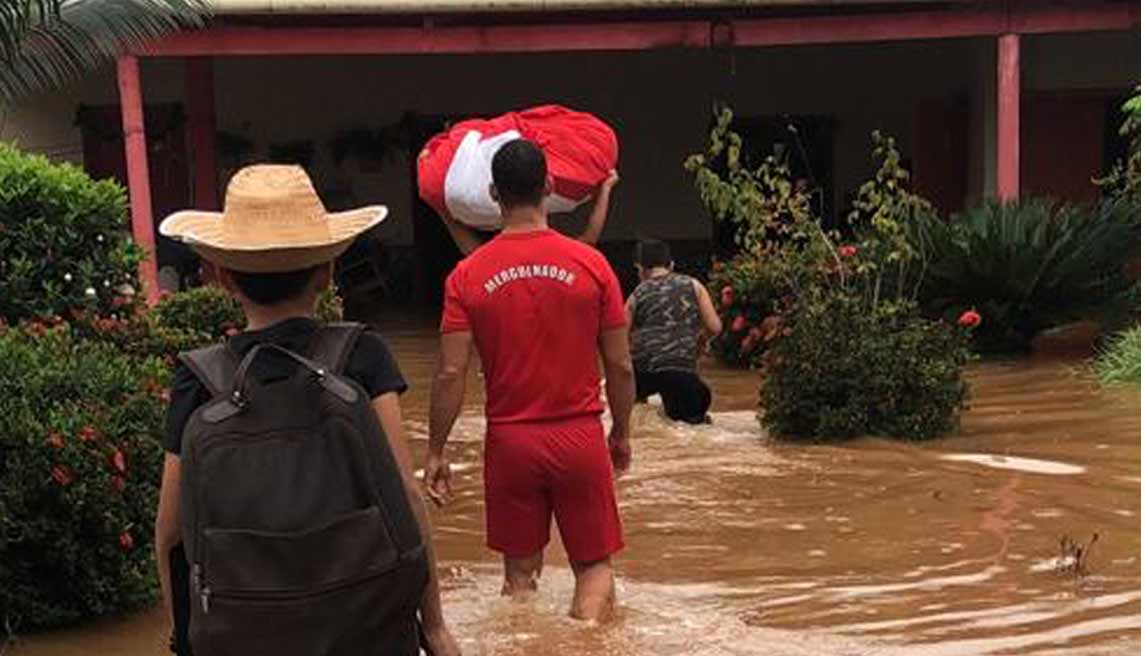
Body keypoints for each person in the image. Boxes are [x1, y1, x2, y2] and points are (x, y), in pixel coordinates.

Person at [154, 165, 459, 656]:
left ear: (224, 277)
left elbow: (170, 534)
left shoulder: (199, 377)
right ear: (328, 271)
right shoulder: (363, 354)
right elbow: (403, 494)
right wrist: (436, 626)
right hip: (365, 626)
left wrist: (184, 638)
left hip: (243, 634)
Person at [424, 139, 635, 621]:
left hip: (511, 443)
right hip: (580, 435)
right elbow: (621, 366)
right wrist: (620, 431)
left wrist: (437, 450)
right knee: (594, 569)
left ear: (495, 194)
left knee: (519, 579)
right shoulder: (592, 265)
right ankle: (585, 645)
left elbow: (451, 371)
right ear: (550, 187)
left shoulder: (466, 275)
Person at [626, 239, 722, 424]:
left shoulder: (636, 295)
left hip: (645, 374)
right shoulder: (693, 285)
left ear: (640, 269)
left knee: (635, 412)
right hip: (682, 373)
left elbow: (618, 339)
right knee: (694, 424)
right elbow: (714, 326)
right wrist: (701, 340)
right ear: (671, 265)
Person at [439, 168, 619, 256]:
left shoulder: (486, 260)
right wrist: (606, 189)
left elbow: (472, 251)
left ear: (493, 192)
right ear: (548, 186)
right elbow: (589, 240)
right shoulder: (567, 255)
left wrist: (441, 207)